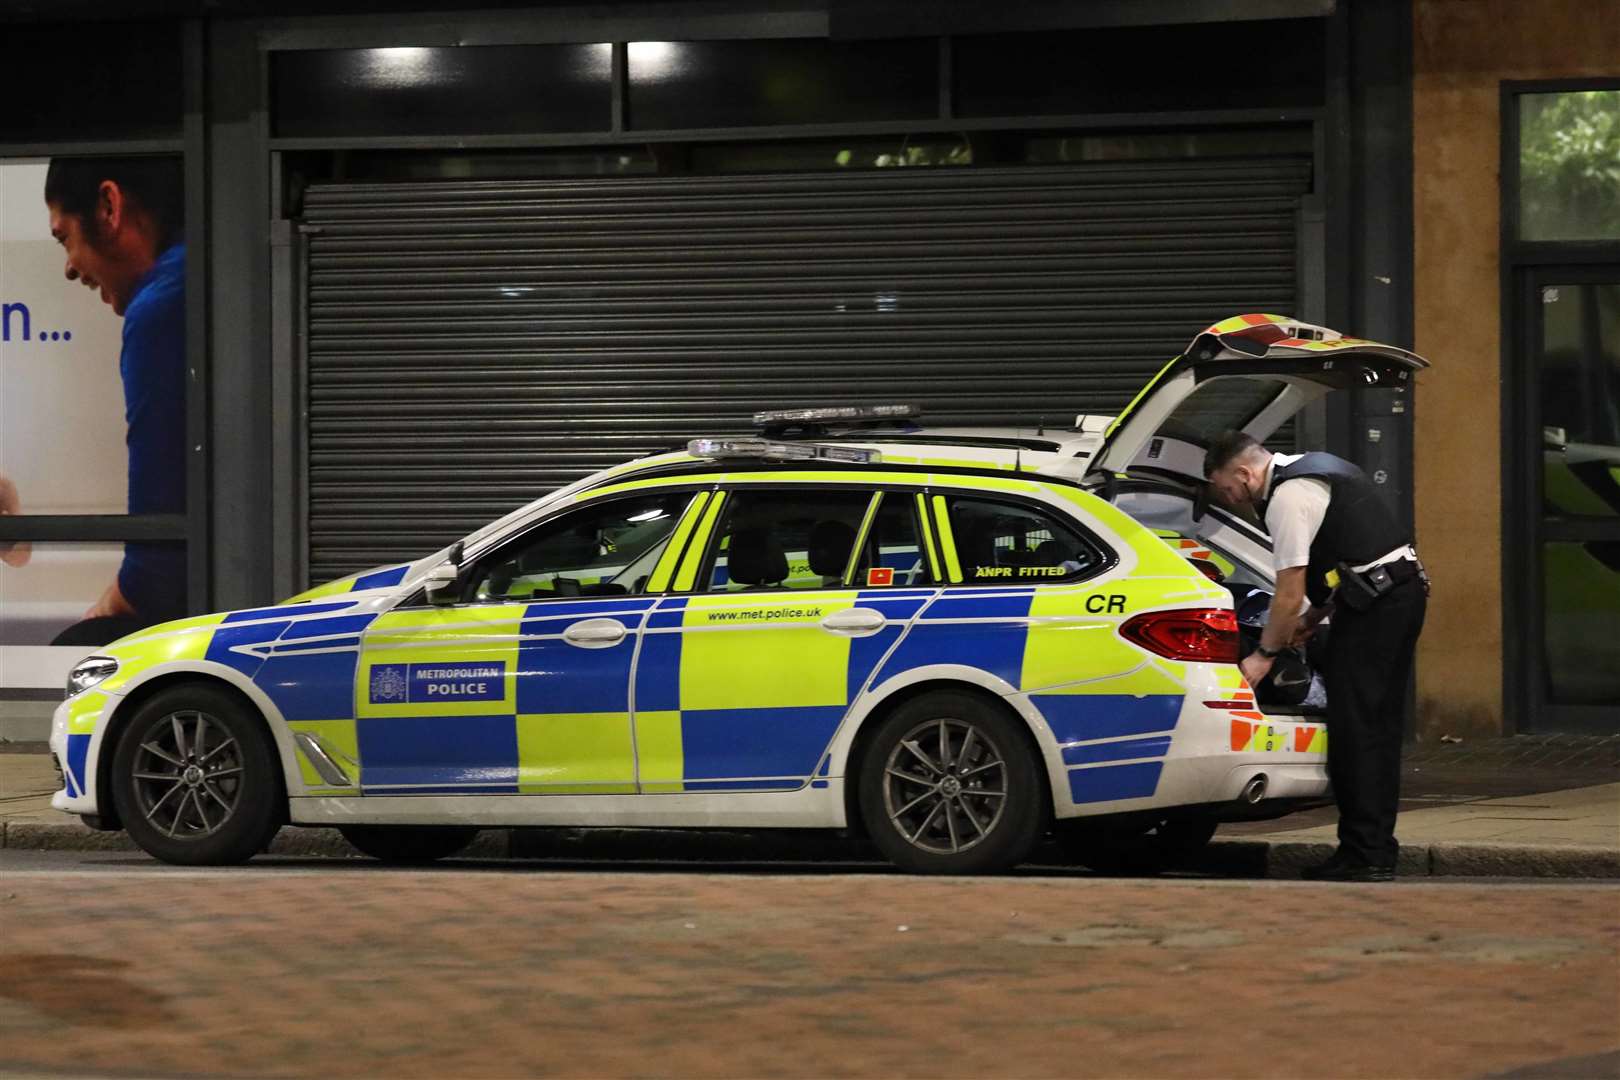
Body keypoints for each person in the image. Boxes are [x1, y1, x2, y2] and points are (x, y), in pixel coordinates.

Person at [1204, 430, 1428, 882]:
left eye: (1226, 489)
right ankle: (1375, 848)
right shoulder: (1315, 466)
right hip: (1393, 594)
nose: (1229, 500)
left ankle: (1366, 854)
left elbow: (1287, 593)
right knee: (1377, 728)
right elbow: (1359, 553)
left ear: (1245, 474)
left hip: (1378, 608)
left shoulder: (1287, 497)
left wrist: (1264, 655)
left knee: (1357, 730)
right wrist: (1317, 617)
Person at [43, 156, 187, 645]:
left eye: (65, 237)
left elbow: (157, 569)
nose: (68, 268)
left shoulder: (161, 308)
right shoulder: (201, 275)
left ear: (108, 206)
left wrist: (101, 612)